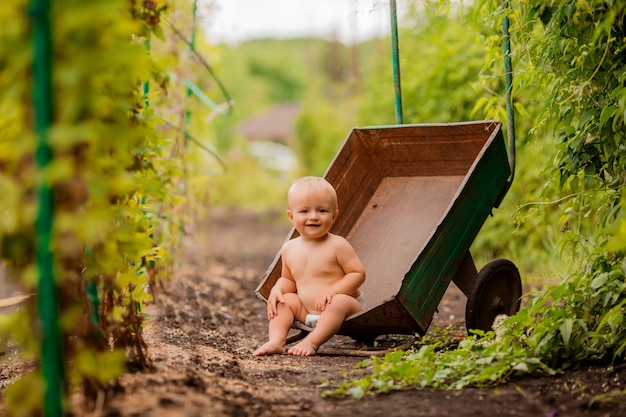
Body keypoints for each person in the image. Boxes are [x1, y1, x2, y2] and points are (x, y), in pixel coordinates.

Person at [253, 176, 366, 356]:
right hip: (307, 311)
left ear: (334, 215)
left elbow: (357, 274)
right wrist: (277, 289)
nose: (313, 216)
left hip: (345, 310)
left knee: (339, 301)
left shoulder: (338, 244)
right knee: (285, 300)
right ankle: (276, 340)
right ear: (291, 216)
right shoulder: (289, 248)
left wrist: (334, 291)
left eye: (321, 210)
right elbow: (288, 279)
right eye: (304, 211)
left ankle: (311, 342)